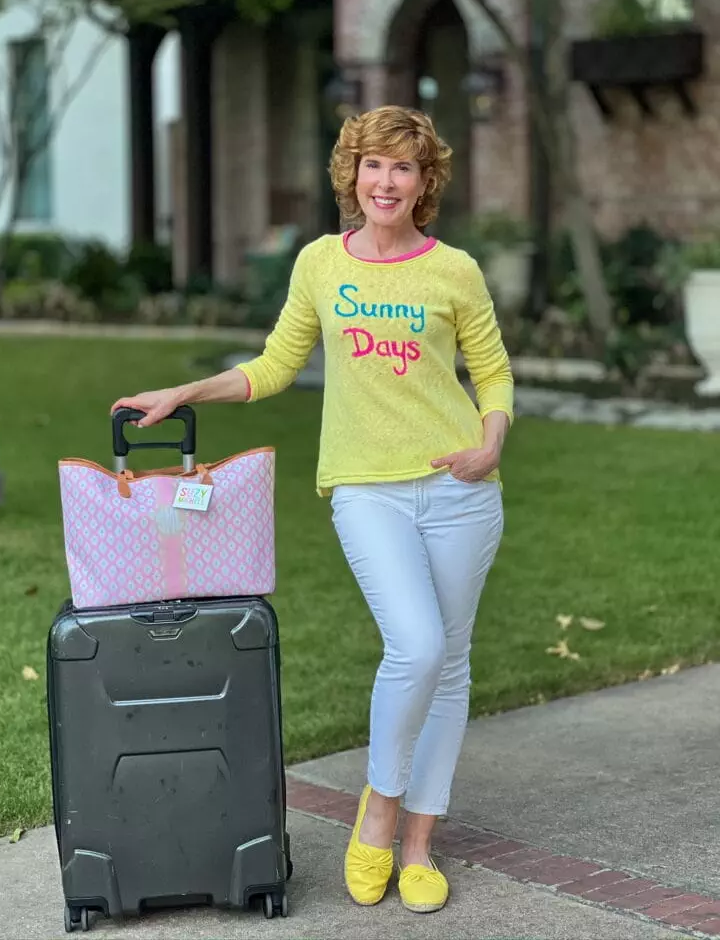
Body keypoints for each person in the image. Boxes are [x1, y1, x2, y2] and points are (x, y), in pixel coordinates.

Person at [111, 105, 513, 915]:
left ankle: (421, 847)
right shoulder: (322, 264)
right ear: (352, 175)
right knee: (418, 643)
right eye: (372, 165)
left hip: (461, 490)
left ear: (424, 180)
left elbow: (493, 374)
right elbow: (273, 367)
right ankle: (380, 812)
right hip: (366, 489)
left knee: (451, 667)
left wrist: (491, 442)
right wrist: (186, 390)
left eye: (403, 167)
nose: (386, 181)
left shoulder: (455, 272)